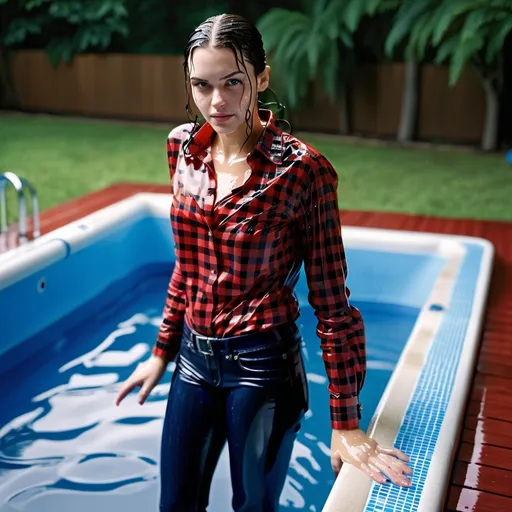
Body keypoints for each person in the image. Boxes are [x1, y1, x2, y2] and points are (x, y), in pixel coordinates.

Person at [115, 13, 412, 511]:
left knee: (252, 507)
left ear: (262, 76)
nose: (217, 102)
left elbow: (333, 305)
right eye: (201, 85)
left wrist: (346, 423)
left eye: (233, 82)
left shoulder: (304, 171)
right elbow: (188, 266)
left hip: (263, 366)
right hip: (193, 359)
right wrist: (161, 350)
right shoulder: (180, 149)